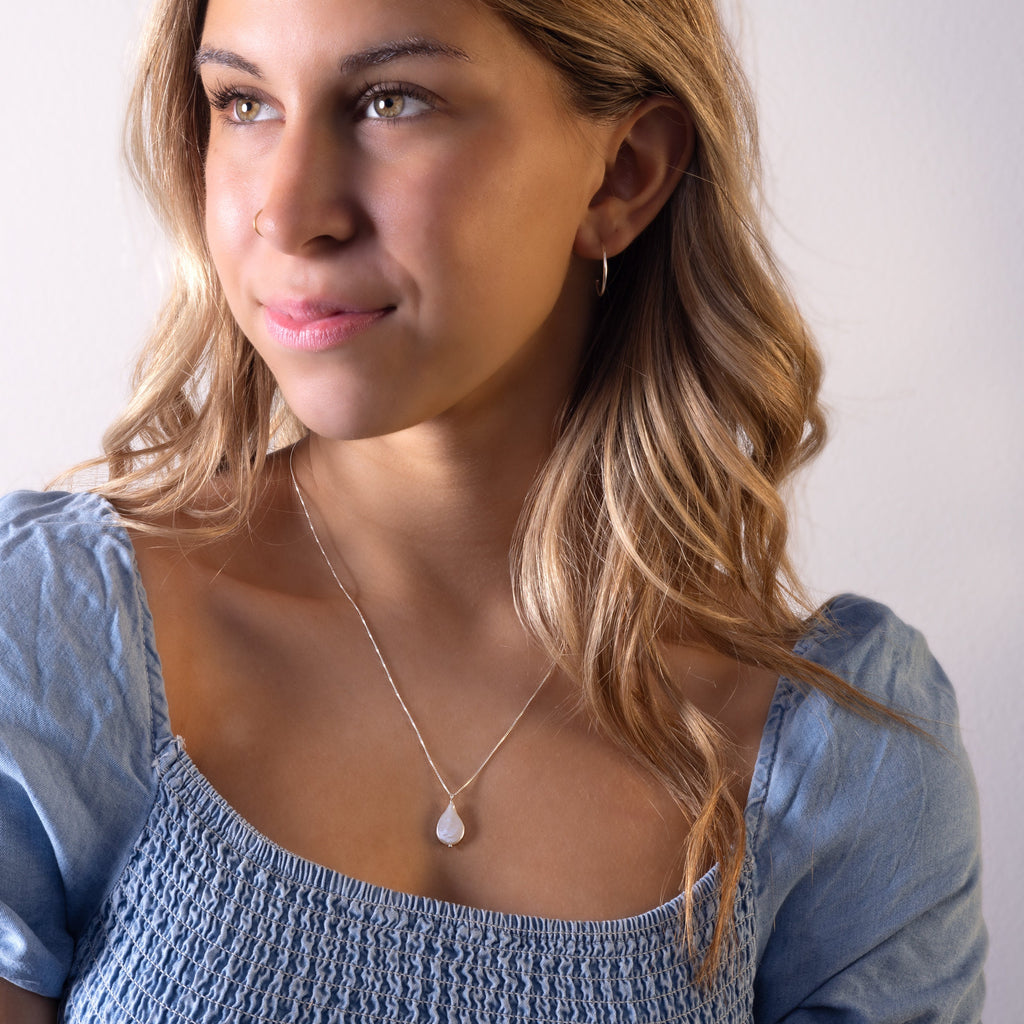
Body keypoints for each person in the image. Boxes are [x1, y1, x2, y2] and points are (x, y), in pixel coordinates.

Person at [0, 0, 986, 1020]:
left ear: (624, 173)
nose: (288, 213)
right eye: (243, 102)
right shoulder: (53, 635)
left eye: (393, 100)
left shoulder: (843, 758)